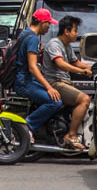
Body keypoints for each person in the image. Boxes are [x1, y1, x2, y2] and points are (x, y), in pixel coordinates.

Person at [42, 15, 94, 151]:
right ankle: (71, 135)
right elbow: (61, 64)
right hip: (56, 83)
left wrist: (93, 67)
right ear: (66, 31)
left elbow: (75, 61)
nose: (77, 34)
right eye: (75, 31)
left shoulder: (67, 45)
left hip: (65, 82)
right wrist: (82, 72)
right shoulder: (54, 44)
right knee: (84, 100)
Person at [15, 8, 62, 137]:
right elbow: (32, 67)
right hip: (24, 82)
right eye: (48, 23)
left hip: (23, 79)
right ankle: (27, 125)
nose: (49, 27)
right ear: (41, 22)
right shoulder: (33, 39)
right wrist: (49, 88)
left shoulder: (25, 33)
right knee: (55, 102)